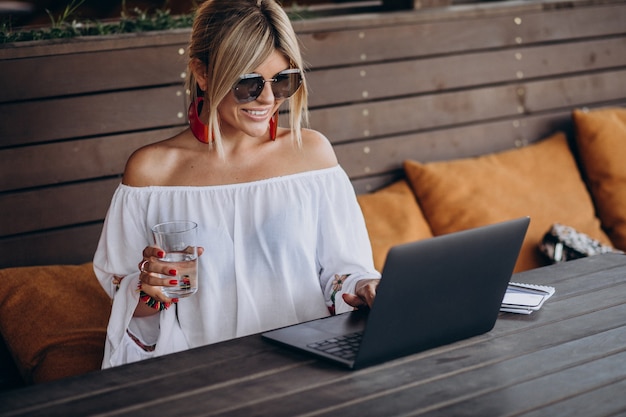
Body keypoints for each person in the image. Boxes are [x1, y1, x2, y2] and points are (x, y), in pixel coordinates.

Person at [93, 0, 380, 368]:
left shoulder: (312, 156)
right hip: (203, 374)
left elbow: (343, 271)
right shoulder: (152, 174)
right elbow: (127, 307)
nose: (267, 99)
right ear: (203, 74)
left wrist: (364, 287)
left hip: (310, 365)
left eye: (283, 81)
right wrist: (149, 292)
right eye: (248, 83)